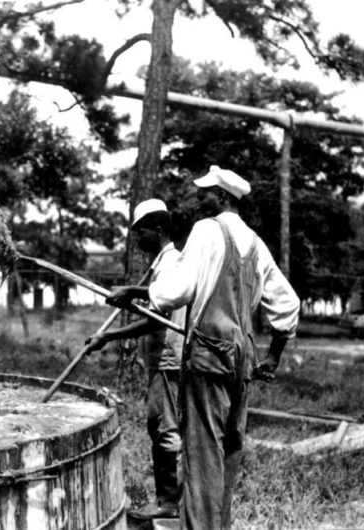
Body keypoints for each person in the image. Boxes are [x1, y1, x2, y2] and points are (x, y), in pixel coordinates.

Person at [108, 166, 300, 529]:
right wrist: (274, 355)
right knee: (229, 449)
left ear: (223, 197)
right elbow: (288, 304)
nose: (199, 201)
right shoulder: (256, 244)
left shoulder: (206, 231)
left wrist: (139, 294)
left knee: (201, 451)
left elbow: (174, 291)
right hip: (243, 355)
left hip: (209, 353)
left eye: (205, 194)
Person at [86, 198, 186, 520]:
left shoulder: (171, 265)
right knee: (161, 426)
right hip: (161, 360)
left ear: (157, 230)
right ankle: (172, 501)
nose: (136, 240)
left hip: (169, 359)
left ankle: (169, 504)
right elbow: (151, 309)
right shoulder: (159, 266)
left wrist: (109, 337)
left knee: (165, 430)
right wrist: (129, 299)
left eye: (140, 232)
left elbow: (158, 320)